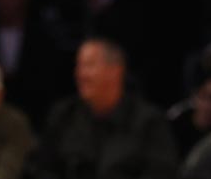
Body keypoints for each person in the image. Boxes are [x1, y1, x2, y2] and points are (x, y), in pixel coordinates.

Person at [29, 37, 177, 179]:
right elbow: (43, 169)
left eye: (89, 65)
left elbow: (161, 173)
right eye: (78, 66)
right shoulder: (63, 115)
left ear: (115, 70)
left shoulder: (149, 122)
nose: (80, 74)